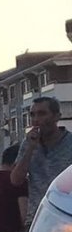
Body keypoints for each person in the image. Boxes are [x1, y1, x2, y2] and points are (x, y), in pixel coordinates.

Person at [11, 96, 72, 224]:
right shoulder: (28, 144)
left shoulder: (69, 143)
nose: (36, 120)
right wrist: (30, 149)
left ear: (56, 116)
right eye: (33, 115)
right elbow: (16, 180)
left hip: (66, 217)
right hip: (37, 218)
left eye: (42, 114)